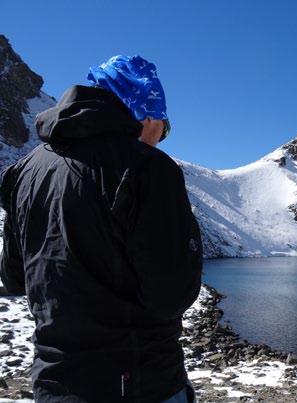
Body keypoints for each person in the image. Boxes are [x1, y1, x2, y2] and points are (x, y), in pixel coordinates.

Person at [0, 55, 203, 402]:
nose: (160, 138)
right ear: (145, 114)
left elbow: (15, 277)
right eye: (163, 127)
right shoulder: (147, 169)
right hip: (137, 385)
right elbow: (171, 295)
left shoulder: (23, 173)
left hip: (53, 382)